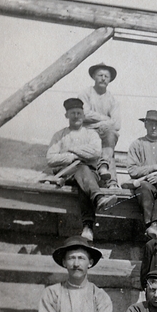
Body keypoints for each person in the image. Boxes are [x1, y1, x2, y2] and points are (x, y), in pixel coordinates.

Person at [46, 97, 115, 241]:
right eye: (72, 113)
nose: (76, 116)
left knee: (83, 171)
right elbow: (51, 159)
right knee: (81, 169)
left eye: (79, 113)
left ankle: (88, 228)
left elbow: (96, 152)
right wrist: (73, 157)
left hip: (89, 174)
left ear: (83, 115)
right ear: (66, 115)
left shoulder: (91, 134)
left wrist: (71, 149)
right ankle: (96, 204)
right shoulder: (59, 135)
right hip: (67, 174)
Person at [125, 110, 157, 239]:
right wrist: (153, 167)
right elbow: (132, 170)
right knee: (144, 188)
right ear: (145, 125)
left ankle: (155, 225)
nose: (154, 128)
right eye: (150, 124)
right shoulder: (137, 144)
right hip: (143, 182)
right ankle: (150, 226)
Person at [76, 62, 121, 184]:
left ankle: (107, 173)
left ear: (110, 80)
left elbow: (117, 124)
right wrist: (105, 119)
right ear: (93, 77)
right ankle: (108, 178)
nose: (103, 78)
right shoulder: (85, 94)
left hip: (104, 133)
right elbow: (83, 114)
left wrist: (99, 123)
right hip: (86, 132)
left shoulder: (113, 100)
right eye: (100, 75)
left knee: (111, 135)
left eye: (106, 76)